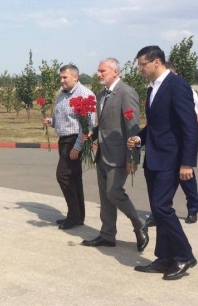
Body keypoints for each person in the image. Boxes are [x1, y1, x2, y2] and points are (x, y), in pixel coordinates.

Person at [128, 46, 198, 281]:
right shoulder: (153, 88)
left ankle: (184, 255)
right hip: (155, 159)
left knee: (161, 208)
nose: (140, 69)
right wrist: (140, 138)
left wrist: (187, 163)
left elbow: (189, 127)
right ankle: (164, 258)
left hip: (171, 159)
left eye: (143, 64)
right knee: (158, 210)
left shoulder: (177, 85)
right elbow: (157, 126)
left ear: (156, 62)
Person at [80, 58, 149, 251]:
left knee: (114, 192)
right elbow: (106, 124)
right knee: (105, 196)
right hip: (103, 152)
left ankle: (139, 223)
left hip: (119, 154)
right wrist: (93, 133)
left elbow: (132, 127)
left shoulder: (126, 93)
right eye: (98, 71)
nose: (98, 74)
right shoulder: (102, 95)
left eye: (102, 71)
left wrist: (133, 157)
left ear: (115, 71)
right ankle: (107, 235)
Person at [145, 62, 198, 227]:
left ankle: (193, 208)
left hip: (181, 149)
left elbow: (196, 120)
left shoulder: (182, 89)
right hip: (166, 149)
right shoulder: (153, 89)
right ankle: (159, 213)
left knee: (187, 181)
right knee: (162, 193)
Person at [43, 64, 96, 230]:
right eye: (60, 77)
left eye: (65, 77)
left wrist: (77, 147)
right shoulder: (62, 94)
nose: (62, 80)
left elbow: (87, 126)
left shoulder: (85, 95)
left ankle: (74, 216)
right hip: (64, 139)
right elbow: (61, 117)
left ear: (75, 77)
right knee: (73, 178)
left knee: (63, 176)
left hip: (75, 140)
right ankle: (77, 216)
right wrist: (51, 121)